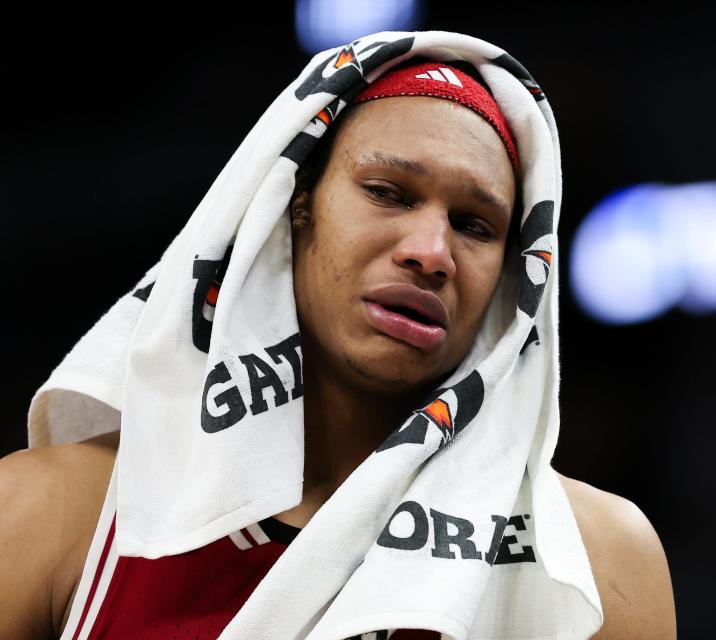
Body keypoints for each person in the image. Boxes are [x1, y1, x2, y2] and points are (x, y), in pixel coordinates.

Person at [0, 32, 675, 639]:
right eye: (388, 192)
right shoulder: (52, 513)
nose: (431, 251)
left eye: (475, 226)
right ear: (292, 209)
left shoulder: (596, 561)